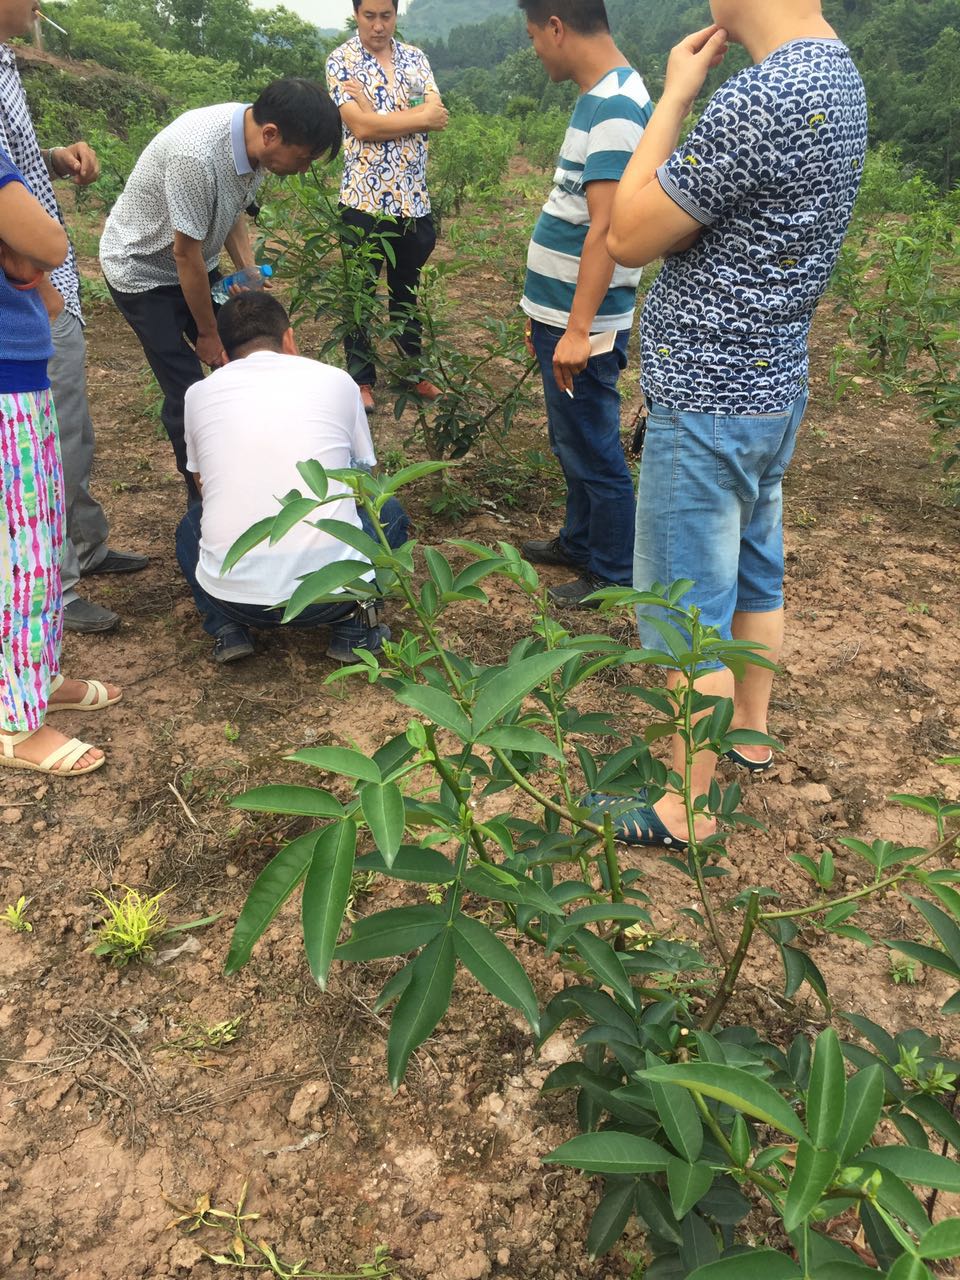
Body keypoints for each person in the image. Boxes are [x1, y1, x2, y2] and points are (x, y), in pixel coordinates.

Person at [591, 1, 867, 847]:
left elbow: (628, 232)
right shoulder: (838, 71)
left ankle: (684, 810)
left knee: (683, 610)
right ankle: (746, 733)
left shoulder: (764, 95)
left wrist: (672, 98)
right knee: (755, 571)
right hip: (773, 388)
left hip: (708, 401)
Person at [100, 78, 341, 504]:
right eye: (303, 159)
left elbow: (230, 212)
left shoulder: (253, 138)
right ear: (271, 135)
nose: (303, 169)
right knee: (189, 390)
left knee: (238, 359)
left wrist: (246, 269)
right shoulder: (197, 157)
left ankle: (251, 470)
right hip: (142, 270)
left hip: (193, 263)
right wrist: (207, 333)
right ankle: (205, 503)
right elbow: (185, 255)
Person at [0, 1, 148, 634]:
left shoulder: (4, 58)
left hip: (41, 284)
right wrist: (38, 276)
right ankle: (55, 587)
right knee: (44, 443)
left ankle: (84, 546)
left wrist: (51, 159)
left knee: (70, 430)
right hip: (28, 292)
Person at [175, 292, 409, 664]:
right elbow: (363, 476)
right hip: (332, 597)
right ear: (289, 338)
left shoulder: (198, 394)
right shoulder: (338, 381)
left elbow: (202, 484)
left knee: (191, 525)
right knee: (388, 510)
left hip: (235, 600)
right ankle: (355, 629)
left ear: (223, 352)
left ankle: (226, 629)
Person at [517, 0, 652, 608]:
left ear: (557, 27)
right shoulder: (599, 96)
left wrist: (575, 329)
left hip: (586, 322)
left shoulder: (618, 108)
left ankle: (612, 571)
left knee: (594, 444)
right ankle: (579, 540)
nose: (535, 50)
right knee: (571, 438)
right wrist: (542, 315)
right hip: (563, 315)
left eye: (533, 36)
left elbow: (605, 229)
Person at [0, 145, 121, 776]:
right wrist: (35, 258)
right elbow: (44, 240)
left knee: (38, 538)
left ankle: (35, 678)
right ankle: (14, 722)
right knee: (21, 551)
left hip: (16, 363)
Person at [326, 0, 449, 413]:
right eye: (369, 16)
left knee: (406, 292)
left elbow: (436, 114)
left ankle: (413, 372)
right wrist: (402, 118)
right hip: (363, 200)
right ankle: (362, 380)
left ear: (396, 15)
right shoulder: (341, 60)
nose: (378, 26)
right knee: (359, 292)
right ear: (356, 15)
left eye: (386, 16)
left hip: (413, 200)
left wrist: (377, 115)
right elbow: (360, 127)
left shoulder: (415, 59)